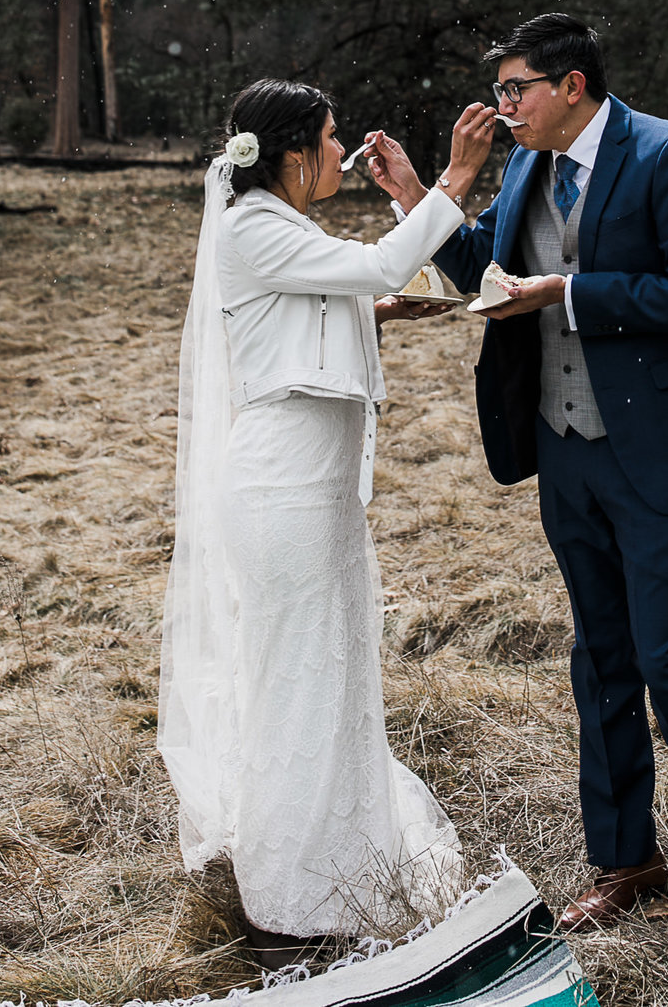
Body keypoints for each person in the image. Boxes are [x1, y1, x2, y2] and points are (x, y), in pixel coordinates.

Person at [401, 13, 668, 954]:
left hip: (652, 450)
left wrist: (568, 294)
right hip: (564, 450)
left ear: (572, 85)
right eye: (499, 91)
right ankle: (627, 864)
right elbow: (485, 272)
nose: (502, 107)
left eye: (515, 89)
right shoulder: (529, 163)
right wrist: (418, 195)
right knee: (600, 662)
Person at [160, 78, 498, 967]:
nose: (342, 153)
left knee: (330, 670)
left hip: (313, 485)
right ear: (292, 152)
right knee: (296, 681)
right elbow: (378, 263)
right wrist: (452, 181)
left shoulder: (280, 224)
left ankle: (338, 866)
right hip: (282, 488)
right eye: (332, 139)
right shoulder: (253, 224)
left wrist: (378, 309)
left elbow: (313, 305)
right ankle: (291, 901)